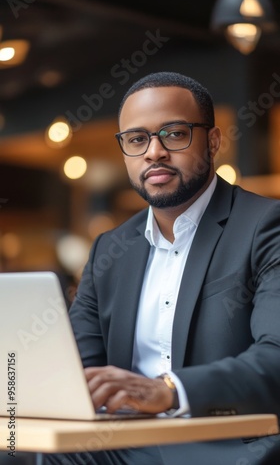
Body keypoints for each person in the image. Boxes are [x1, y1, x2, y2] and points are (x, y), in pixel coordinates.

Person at [45, 72, 280, 465]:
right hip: (121, 444)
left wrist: (169, 391)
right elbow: (77, 368)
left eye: (173, 134)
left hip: (223, 445)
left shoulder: (266, 226)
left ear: (214, 141)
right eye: (137, 140)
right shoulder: (111, 248)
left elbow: (275, 357)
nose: (153, 152)